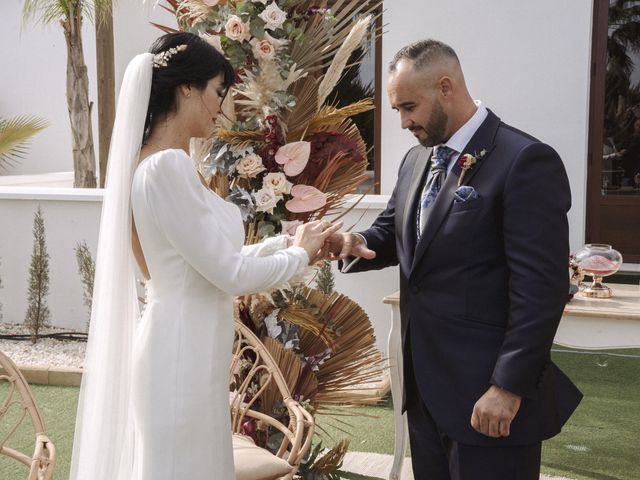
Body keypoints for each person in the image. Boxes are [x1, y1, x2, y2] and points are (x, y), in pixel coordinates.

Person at [69, 32, 340, 480]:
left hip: (189, 348)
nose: (221, 107)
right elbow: (229, 274)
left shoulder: (163, 165)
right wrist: (300, 258)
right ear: (186, 88)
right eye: (218, 92)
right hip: (180, 355)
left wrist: (291, 243)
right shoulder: (164, 167)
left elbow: (211, 260)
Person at [326, 39, 583, 479]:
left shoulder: (524, 160)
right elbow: (394, 234)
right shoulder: (415, 159)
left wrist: (507, 386)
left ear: (446, 87)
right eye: (398, 112)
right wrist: (352, 240)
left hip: (489, 398)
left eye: (410, 107)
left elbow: (541, 289)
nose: (404, 122)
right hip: (426, 393)